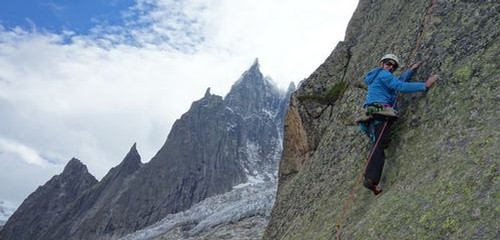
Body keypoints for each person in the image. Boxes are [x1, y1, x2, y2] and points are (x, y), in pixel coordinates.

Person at [358, 53, 439, 195]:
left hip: (373, 112)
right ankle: (371, 179)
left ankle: (370, 178)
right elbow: (399, 85)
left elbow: (396, 83)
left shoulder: (378, 76)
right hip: (381, 111)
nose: (390, 67)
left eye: (393, 66)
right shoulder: (383, 74)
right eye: (388, 63)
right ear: (382, 63)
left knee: (378, 142)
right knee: (379, 145)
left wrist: (411, 70)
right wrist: (424, 85)